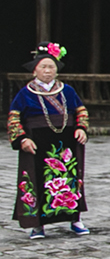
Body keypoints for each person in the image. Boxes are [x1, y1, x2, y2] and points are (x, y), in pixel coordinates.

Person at [9, 43, 89, 239]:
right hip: (36, 143)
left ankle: (75, 219)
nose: (47, 71)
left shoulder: (67, 91)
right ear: (35, 69)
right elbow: (13, 117)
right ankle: (37, 225)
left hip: (66, 142)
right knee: (36, 180)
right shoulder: (26, 93)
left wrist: (81, 128)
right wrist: (22, 138)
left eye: (51, 67)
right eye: (43, 67)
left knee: (70, 179)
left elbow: (81, 110)